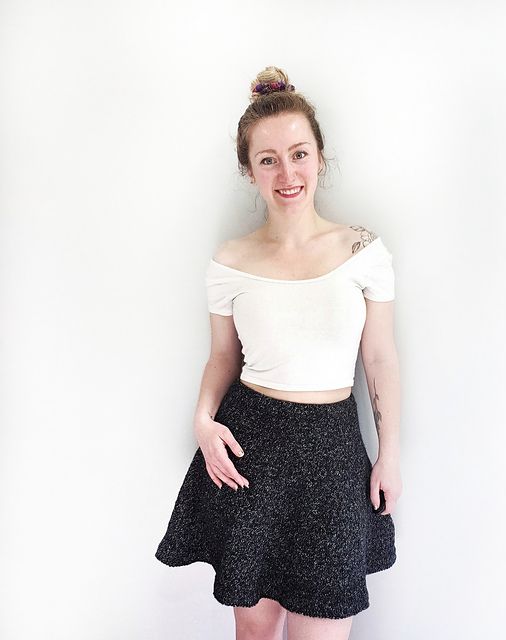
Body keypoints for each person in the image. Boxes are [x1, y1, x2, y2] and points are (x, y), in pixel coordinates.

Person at [155, 66, 403, 640]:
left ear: (320, 156)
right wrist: (202, 420)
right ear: (249, 171)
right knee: (256, 632)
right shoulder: (230, 261)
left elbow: (381, 359)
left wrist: (389, 455)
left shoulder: (364, 250)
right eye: (268, 159)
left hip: (334, 457)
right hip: (252, 451)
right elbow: (222, 357)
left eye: (299, 153)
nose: (286, 172)